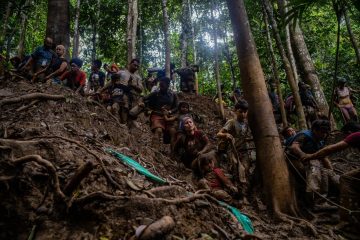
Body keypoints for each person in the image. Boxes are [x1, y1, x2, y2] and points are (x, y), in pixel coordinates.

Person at [286, 119, 339, 206]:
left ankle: (322, 200)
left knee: (326, 173)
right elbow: (294, 147)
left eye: (326, 132)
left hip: (309, 160)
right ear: (314, 130)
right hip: (294, 158)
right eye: (322, 132)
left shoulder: (320, 141)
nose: (324, 135)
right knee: (315, 167)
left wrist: (331, 171)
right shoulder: (305, 135)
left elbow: (323, 156)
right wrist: (304, 155)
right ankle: (312, 198)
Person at [217, 100, 253, 196]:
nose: (243, 114)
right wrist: (226, 135)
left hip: (244, 150)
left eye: (245, 112)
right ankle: (237, 190)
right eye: (240, 111)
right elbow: (219, 133)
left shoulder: (246, 124)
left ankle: (245, 192)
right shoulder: (232, 122)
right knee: (236, 168)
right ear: (235, 111)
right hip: (232, 150)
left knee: (245, 169)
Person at [141, 77, 178, 150]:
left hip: (168, 116)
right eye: (160, 85)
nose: (161, 87)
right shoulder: (155, 94)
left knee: (173, 132)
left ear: (168, 85)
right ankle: (154, 150)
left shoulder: (173, 95)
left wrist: (170, 111)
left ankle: (173, 152)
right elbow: (144, 99)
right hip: (157, 115)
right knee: (158, 130)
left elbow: (176, 107)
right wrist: (146, 108)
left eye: (163, 85)